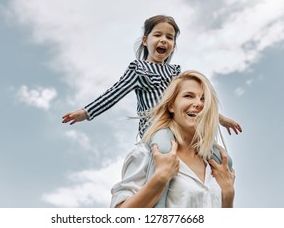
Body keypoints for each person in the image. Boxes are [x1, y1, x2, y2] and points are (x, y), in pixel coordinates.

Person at [62, 15, 242, 138]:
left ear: (173, 45)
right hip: (156, 129)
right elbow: (114, 93)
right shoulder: (139, 69)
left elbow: (193, 104)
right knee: (164, 150)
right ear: (145, 40)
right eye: (158, 35)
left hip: (180, 126)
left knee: (214, 154)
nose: (164, 40)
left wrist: (220, 118)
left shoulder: (175, 74)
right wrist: (86, 113)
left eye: (169, 38)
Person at [110, 70, 235, 208]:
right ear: (171, 106)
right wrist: (160, 178)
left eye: (204, 99)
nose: (198, 104)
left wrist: (228, 195)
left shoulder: (216, 165)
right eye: (189, 96)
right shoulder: (148, 153)